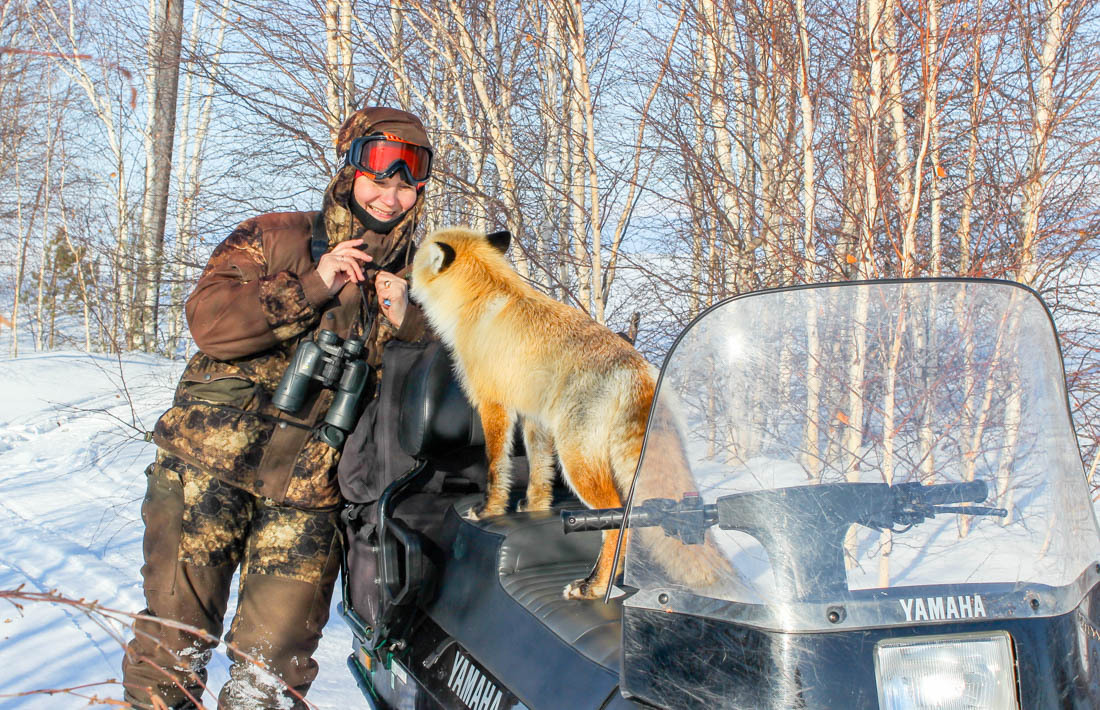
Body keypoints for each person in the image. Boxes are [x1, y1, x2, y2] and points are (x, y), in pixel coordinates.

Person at [121, 106, 434, 710]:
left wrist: (412, 322)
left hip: (310, 495)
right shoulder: (275, 236)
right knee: (173, 649)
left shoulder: (422, 277)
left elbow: (456, 377)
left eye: (405, 184)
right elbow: (209, 325)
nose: (391, 197)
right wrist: (314, 283)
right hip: (204, 471)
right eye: (379, 178)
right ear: (349, 171)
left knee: (272, 679)